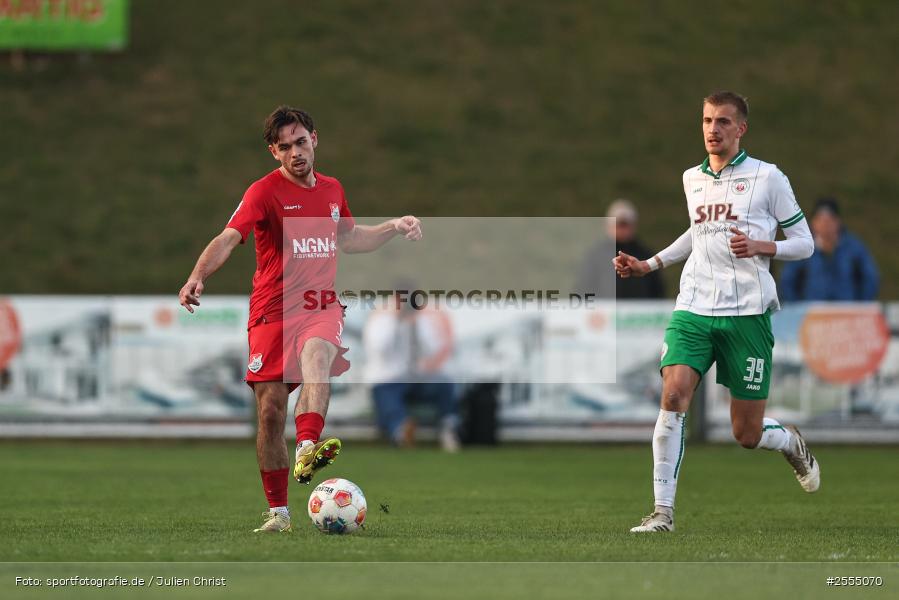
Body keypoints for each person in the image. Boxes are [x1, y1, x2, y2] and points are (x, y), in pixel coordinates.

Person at [178, 106, 422, 533]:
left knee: (317, 356)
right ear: (274, 151)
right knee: (271, 413)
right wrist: (198, 275)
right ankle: (279, 514)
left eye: (301, 142)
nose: (295, 152)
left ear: (315, 139)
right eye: (285, 146)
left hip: (319, 304)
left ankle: (307, 444)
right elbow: (228, 237)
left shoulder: (332, 190)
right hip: (272, 311)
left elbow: (349, 239)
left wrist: (392, 226)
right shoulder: (263, 193)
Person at [613, 91, 819, 533]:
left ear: (741, 128)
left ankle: (788, 441)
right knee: (673, 396)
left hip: (747, 312)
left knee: (746, 434)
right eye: (707, 120)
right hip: (694, 305)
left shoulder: (768, 178)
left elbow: (805, 242)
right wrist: (648, 264)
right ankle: (662, 512)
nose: (713, 129)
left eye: (723, 121)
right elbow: (696, 232)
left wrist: (764, 245)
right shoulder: (693, 178)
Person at [363, 289, 459, 452]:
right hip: (388, 379)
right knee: (388, 398)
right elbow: (379, 348)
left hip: (415, 378)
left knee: (444, 384)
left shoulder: (420, 320)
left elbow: (432, 348)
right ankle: (400, 431)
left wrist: (416, 325)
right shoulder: (382, 320)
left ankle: (448, 428)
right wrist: (396, 322)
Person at [779, 197, 879, 301]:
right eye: (820, 219)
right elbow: (787, 281)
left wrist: (861, 307)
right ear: (813, 223)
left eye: (830, 219)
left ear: (838, 222)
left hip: (847, 312)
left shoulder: (854, 248)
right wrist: (797, 309)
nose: (825, 224)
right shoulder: (803, 248)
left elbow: (870, 278)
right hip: (812, 313)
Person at [576, 199, 665, 299]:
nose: (622, 230)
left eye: (625, 225)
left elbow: (657, 292)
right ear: (608, 226)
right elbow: (583, 288)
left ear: (634, 226)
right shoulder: (595, 256)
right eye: (618, 225)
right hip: (604, 313)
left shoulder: (645, 255)